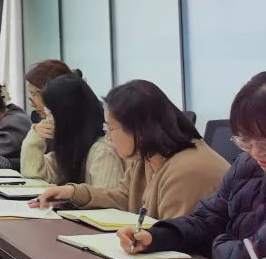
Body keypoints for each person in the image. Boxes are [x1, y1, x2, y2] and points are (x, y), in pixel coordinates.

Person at [115, 71, 266, 259]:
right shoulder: (247, 165)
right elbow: (208, 218)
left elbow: (251, 254)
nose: (255, 152)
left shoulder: (187, 165)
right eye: (246, 141)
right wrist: (156, 237)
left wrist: (217, 243)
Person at [33, 80, 229, 219]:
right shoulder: (147, 157)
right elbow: (124, 198)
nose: (109, 137)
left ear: (139, 129)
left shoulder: (187, 170)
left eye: (111, 129)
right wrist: (73, 193)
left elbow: (176, 239)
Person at [20, 74, 124, 187]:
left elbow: (105, 197)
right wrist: (35, 136)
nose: (47, 119)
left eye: (50, 113)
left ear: (67, 116)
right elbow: (33, 174)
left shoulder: (103, 153)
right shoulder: (70, 149)